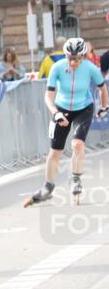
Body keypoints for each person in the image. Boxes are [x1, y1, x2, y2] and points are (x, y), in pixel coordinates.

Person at [25, 38, 108, 206]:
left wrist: (104, 106)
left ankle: (75, 178)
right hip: (61, 109)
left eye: (77, 58)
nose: (73, 62)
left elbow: (102, 88)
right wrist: (56, 113)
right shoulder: (57, 68)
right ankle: (47, 187)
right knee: (56, 151)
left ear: (83, 57)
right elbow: (48, 97)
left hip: (83, 108)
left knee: (78, 145)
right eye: (69, 57)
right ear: (65, 55)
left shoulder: (90, 68)